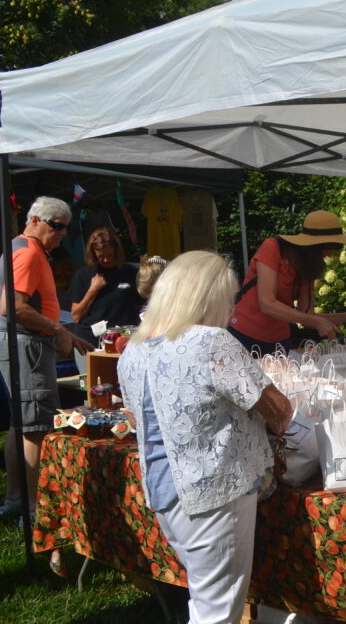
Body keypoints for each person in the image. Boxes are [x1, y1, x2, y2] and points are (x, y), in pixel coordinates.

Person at [118, 250, 292, 624]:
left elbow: (138, 418)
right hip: (214, 494)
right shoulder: (210, 342)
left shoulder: (133, 349)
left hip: (163, 492)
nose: (230, 307)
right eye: (228, 297)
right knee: (216, 611)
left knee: (205, 598)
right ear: (208, 297)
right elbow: (278, 409)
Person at [0, 196, 95, 518]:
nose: (63, 234)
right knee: (36, 427)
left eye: (65, 228)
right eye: (57, 226)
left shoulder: (20, 248)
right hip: (29, 347)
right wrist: (57, 329)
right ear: (36, 220)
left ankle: (14, 499)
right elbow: (14, 307)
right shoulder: (28, 253)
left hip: (24, 344)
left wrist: (66, 332)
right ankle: (35, 507)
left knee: (21, 424)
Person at [228, 210, 346, 354]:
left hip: (279, 340)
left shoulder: (309, 266)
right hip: (244, 335)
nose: (330, 254)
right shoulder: (273, 247)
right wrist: (317, 322)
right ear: (313, 245)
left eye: (336, 247)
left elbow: (306, 315)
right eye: (329, 246)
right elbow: (267, 303)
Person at [67, 226, 143, 344]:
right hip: (92, 340)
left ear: (116, 251)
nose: (106, 260)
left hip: (124, 340)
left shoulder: (131, 272)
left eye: (109, 255)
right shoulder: (84, 275)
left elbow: (143, 307)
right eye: (101, 257)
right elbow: (76, 316)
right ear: (93, 254)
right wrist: (93, 290)